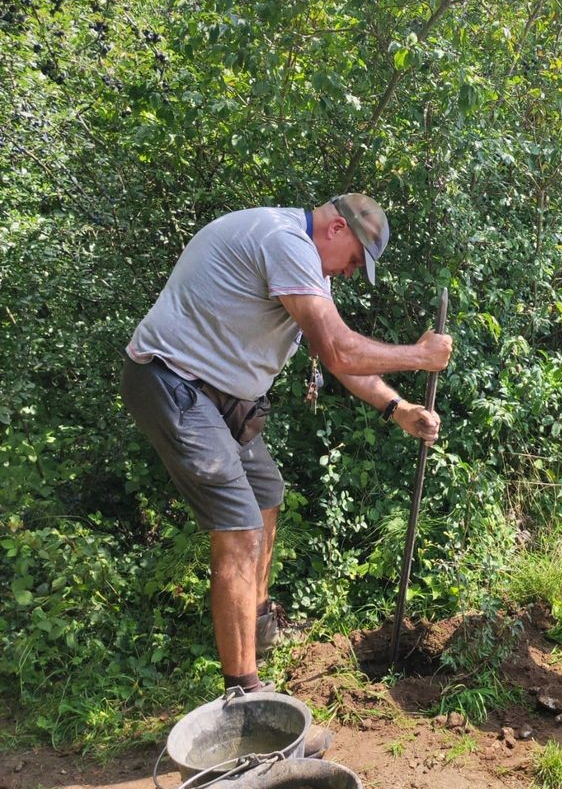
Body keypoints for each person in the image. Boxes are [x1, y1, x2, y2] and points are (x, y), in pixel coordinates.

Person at [121, 194, 453, 694]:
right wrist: (419, 356)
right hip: (174, 384)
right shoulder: (285, 241)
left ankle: (256, 622)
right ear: (337, 228)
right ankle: (246, 696)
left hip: (225, 399)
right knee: (240, 531)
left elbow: (339, 357)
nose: (346, 273)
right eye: (354, 262)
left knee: (266, 495)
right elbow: (338, 349)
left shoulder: (303, 264)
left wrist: (398, 408)